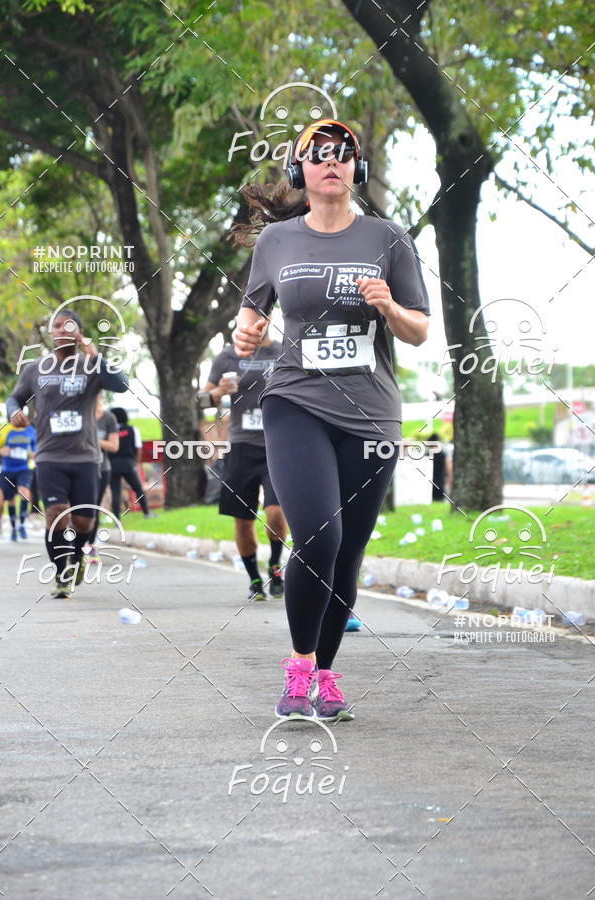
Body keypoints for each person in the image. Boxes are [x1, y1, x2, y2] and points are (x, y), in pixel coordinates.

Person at [231, 118, 430, 722]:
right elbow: (250, 310)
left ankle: (325, 675)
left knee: (348, 553)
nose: (331, 161)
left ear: (357, 168)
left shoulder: (389, 238)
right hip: (295, 402)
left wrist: (388, 306)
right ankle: (297, 668)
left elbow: (419, 330)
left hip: (370, 417)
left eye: (343, 153)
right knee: (320, 534)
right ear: (300, 171)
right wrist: (246, 330)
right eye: (317, 154)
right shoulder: (278, 242)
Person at [6, 309, 129, 598]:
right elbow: (15, 397)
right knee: (56, 514)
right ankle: (62, 574)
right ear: (50, 333)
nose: (60, 330)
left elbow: (122, 384)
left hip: (86, 457)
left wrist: (95, 355)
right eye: (56, 326)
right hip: (49, 456)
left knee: (84, 519)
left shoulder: (91, 367)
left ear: (79, 332)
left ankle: (78, 557)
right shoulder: (36, 369)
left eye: (68, 326)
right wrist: (14, 412)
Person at [203, 332, 288, 601]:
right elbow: (202, 400)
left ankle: (275, 565)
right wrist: (217, 393)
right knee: (243, 519)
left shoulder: (285, 350)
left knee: (276, 512)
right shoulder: (226, 356)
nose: (256, 322)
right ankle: (253, 577)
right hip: (241, 447)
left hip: (279, 444)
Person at [87, 395, 119, 563]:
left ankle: (91, 549)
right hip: (78, 468)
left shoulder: (108, 418)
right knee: (76, 509)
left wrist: (94, 440)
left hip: (101, 468)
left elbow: (114, 446)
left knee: (93, 509)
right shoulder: (79, 414)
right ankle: (75, 546)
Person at [108, 408, 153, 519]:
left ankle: (116, 519)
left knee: (115, 492)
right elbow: (138, 448)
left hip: (112, 464)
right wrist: (136, 462)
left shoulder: (109, 432)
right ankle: (147, 513)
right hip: (128, 463)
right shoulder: (132, 430)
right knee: (138, 489)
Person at [0, 420, 36, 540]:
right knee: (10, 500)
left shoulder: (30, 430)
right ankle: (14, 529)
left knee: (24, 493)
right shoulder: (4, 429)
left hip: (24, 468)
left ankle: (22, 525)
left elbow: (35, 444)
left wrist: (34, 451)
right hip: (7, 470)